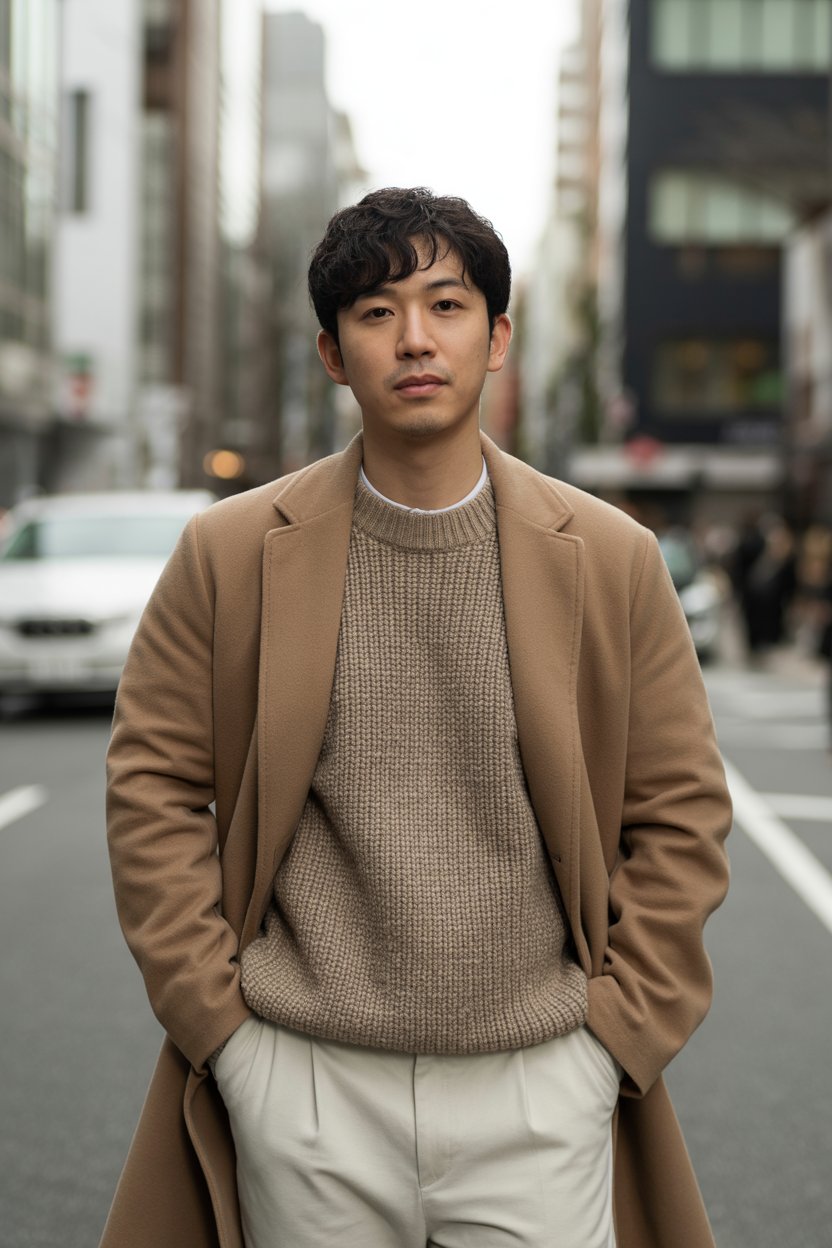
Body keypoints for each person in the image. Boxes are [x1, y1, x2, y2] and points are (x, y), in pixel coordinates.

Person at [102, 188, 731, 1248]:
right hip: (303, 1077)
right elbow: (151, 787)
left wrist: (613, 1042)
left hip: (541, 1083)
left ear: (498, 339)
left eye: (446, 305)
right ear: (332, 353)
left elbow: (680, 810)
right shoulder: (229, 551)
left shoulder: (612, 557)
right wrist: (225, 1035)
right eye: (376, 311)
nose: (415, 339)